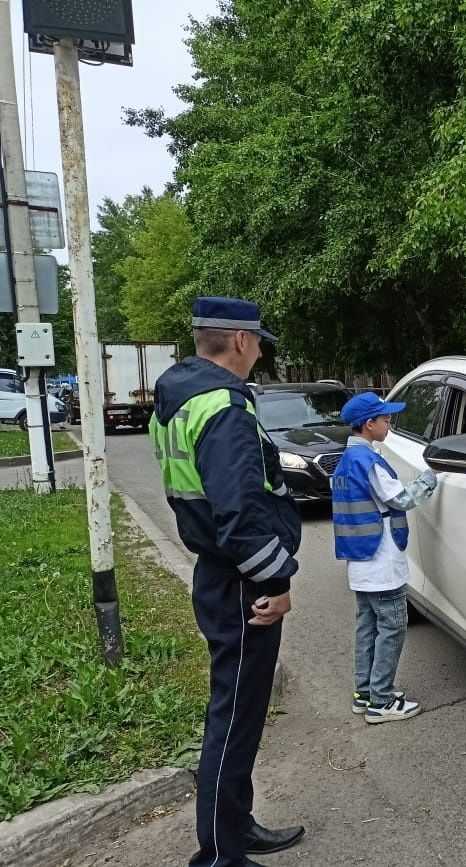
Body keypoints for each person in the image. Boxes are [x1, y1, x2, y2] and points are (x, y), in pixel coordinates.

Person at [149, 297, 305, 867]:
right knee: (235, 720)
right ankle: (220, 856)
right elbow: (239, 515)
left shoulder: (179, 397)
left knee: (237, 714)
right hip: (244, 585)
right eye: (259, 341)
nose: (261, 350)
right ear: (240, 341)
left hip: (220, 575)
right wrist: (277, 581)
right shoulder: (223, 407)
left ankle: (234, 829)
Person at [332, 392, 439, 723]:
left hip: (360, 562)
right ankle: (381, 701)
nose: (389, 423)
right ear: (369, 424)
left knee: (368, 626)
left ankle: (364, 693)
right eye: (386, 419)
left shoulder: (346, 462)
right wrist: (429, 478)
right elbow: (402, 499)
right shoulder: (369, 462)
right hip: (381, 560)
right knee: (393, 625)